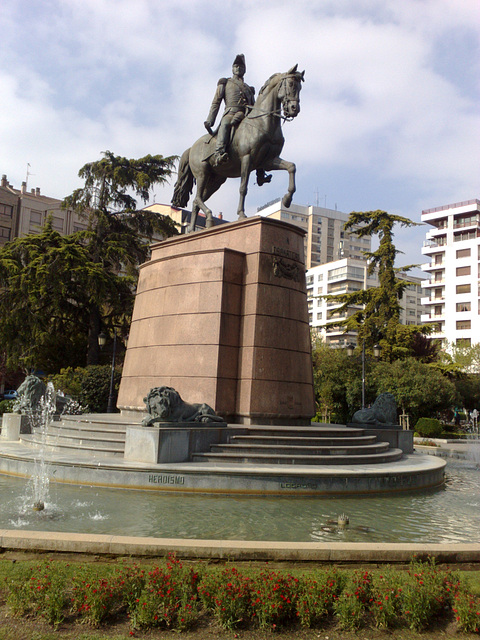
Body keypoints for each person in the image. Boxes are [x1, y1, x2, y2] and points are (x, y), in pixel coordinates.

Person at [204, 54, 255, 166]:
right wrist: (210, 120)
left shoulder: (249, 89)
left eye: (241, 67)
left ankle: (260, 171)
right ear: (232, 68)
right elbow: (216, 101)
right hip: (230, 113)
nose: (238, 68)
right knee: (226, 123)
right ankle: (219, 153)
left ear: (244, 70)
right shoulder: (225, 82)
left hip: (246, 115)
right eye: (236, 66)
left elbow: (254, 106)